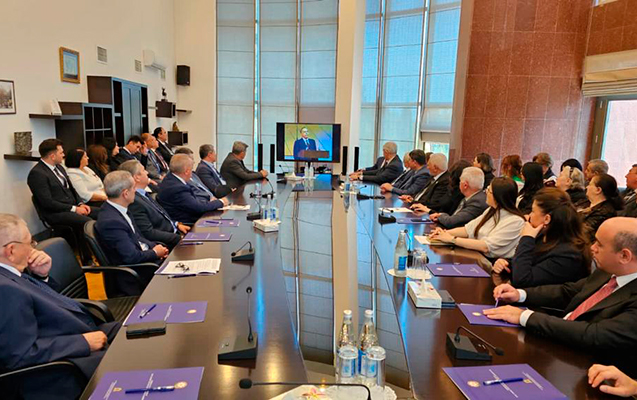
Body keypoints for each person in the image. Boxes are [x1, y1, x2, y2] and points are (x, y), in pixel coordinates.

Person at [484, 218, 637, 377]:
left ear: (624, 256)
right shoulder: (606, 271)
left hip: (586, 368)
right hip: (557, 343)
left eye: (599, 244)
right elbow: (568, 292)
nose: (592, 247)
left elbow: (594, 334)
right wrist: (520, 294)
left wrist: (526, 317)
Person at [0, 214, 120, 400]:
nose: (33, 247)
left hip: (77, 332)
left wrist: (42, 276)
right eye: (29, 242)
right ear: (11, 250)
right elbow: (20, 354)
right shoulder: (5, 289)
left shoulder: (11, 272)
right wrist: (83, 342)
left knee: (133, 328)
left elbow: (48, 306)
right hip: (62, 368)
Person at [492, 188, 590, 287]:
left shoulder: (567, 255)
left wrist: (526, 238)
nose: (529, 215)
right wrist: (506, 264)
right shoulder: (544, 235)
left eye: (533, 211)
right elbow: (525, 263)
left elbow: (522, 280)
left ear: (547, 219)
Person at [95, 171, 168, 295]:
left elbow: (138, 237)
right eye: (133, 188)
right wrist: (155, 252)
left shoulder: (120, 210)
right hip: (135, 275)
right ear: (125, 193)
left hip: (145, 263)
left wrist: (156, 247)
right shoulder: (111, 222)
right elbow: (131, 257)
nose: (135, 191)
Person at [27, 139, 98, 262]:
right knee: (86, 221)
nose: (64, 155)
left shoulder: (59, 167)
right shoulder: (37, 174)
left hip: (72, 206)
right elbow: (47, 203)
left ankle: (107, 249)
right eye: (61, 153)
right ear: (52, 156)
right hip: (55, 212)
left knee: (102, 212)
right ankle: (87, 258)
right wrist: (75, 209)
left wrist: (80, 203)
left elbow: (72, 189)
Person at [428, 177, 525, 259]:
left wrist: (452, 239)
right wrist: (444, 233)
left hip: (492, 262)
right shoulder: (492, 210)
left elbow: (486, 246)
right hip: (476, 255)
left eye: (489, 190)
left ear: (498, 196)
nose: (486, 192)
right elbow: (468, 229)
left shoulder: (515, 221)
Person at [119, 160, 189, 250]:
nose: (147, 172)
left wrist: (176, 225)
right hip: (169, 244)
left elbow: (162, 215)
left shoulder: (143, 194)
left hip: (176, 232)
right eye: (143, 170)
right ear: (137, 177)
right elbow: (149, 233)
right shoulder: (134, 202)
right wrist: (178, 238)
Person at [158, 154, 228, 224]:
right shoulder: (177, 188)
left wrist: (208, 202)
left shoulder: (171, 179)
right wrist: (221, 202)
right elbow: (198, 208)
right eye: (191, 169)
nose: (192, 173)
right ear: (186, 172)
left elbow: (193, 202)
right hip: (188, 223)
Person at [581, 173, 624, 242]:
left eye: (590, 184)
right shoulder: (586, 202)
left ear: (598, 190)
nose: (587, 187)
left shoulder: (605, 212)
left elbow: (583, 233)